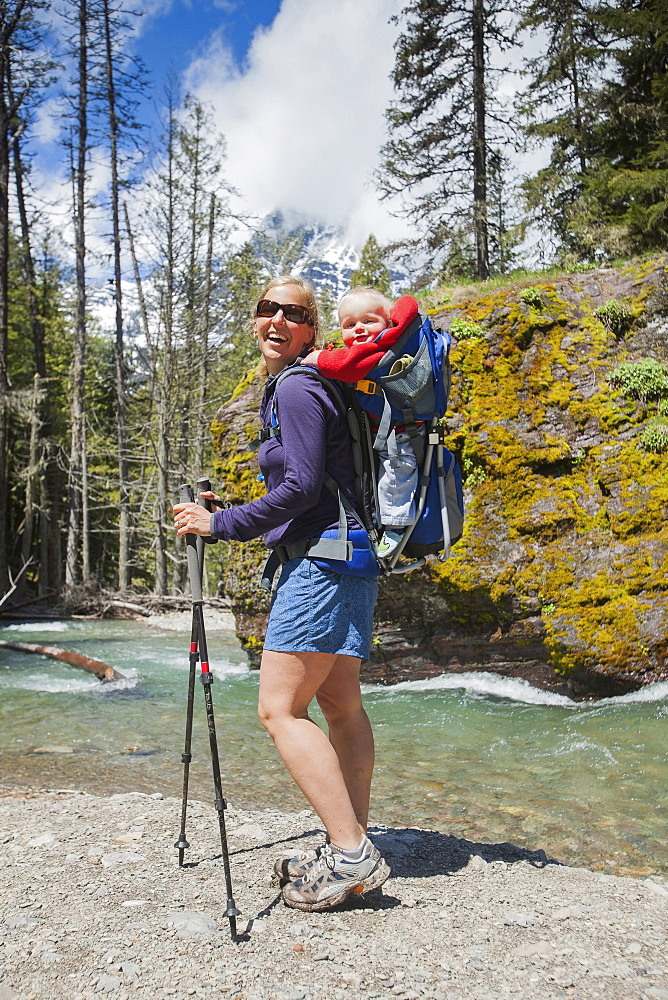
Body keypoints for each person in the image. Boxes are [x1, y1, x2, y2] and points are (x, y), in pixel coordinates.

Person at [173, 276, 390, 912]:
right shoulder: (321, 384)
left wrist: (221, 523)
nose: (276, 321)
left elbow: (297, 489)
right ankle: (351, 842)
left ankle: (352, 855)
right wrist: (237, 510)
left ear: (311, 331)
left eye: (293, 314)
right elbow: (313, 485)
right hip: (351, 555)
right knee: (341, 705)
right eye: (266, 309)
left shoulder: (296, 385)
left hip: (322, 564)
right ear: (253, 319)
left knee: (278, 710)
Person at [301, 286, 422, 557]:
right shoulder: (387, 340)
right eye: (350, 324)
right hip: (383, 430)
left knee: (396, 471)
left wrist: (318, 358)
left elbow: (345, 366)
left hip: (399, 433)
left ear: (388, 322)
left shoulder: (379, 348)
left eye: (369, 321)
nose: (358, 329)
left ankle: (395, 525)